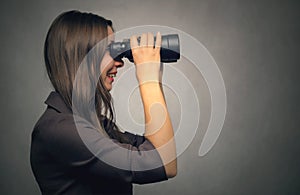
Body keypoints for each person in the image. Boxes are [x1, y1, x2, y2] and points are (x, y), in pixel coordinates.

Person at [30, 10, 177, 195]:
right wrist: (147, 79)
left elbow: (163, 152)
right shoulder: (60, 129)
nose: (120, 62)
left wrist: (154, 76)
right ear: (82, 56)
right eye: (110, 50)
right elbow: (163, 164)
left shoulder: (92, 123)